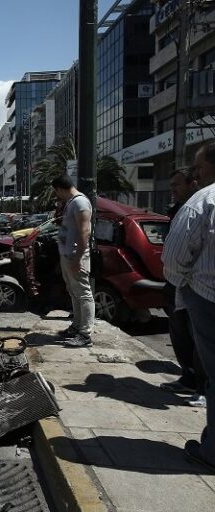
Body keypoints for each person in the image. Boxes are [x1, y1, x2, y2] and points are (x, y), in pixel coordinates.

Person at [163, 142, 215, 472]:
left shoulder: (204, 201)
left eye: (198, 168)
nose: (195, 174)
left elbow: (173, 257)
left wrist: (184, 282)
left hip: (208, 296)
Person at [160, 167, 205, 407]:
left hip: (195, 285)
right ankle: (188, 377)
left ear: (192, 183)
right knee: (180, 334)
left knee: (200, 339)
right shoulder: (177, 210)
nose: (173, 190)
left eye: (177, 185)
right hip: (176, 284)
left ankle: (203, 387)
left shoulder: (199, 207)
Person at [51, 175, 94, 348]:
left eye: (56, 192)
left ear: (60, 189)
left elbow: (85, 233)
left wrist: (77, 259)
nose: (57, 195)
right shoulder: (71, 203)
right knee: (73, 291)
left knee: (83, 293)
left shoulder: (80, 203)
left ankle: (85, 334)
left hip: (76, 256)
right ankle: (77, 326)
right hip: (68, 255)